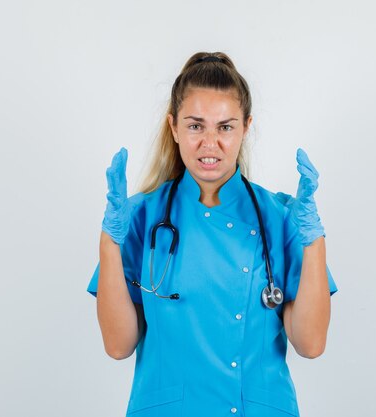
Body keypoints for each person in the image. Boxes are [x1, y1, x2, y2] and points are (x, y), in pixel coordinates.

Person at [87, 51, 338, 417]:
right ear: (173, 127)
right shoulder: (139, 217)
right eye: (195, 126)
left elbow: (311, 343)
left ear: (245, 128)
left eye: (225, 127)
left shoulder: (282, 218)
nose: (210, 143)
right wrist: (109, 241)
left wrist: (313, 241)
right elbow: (118, 345)